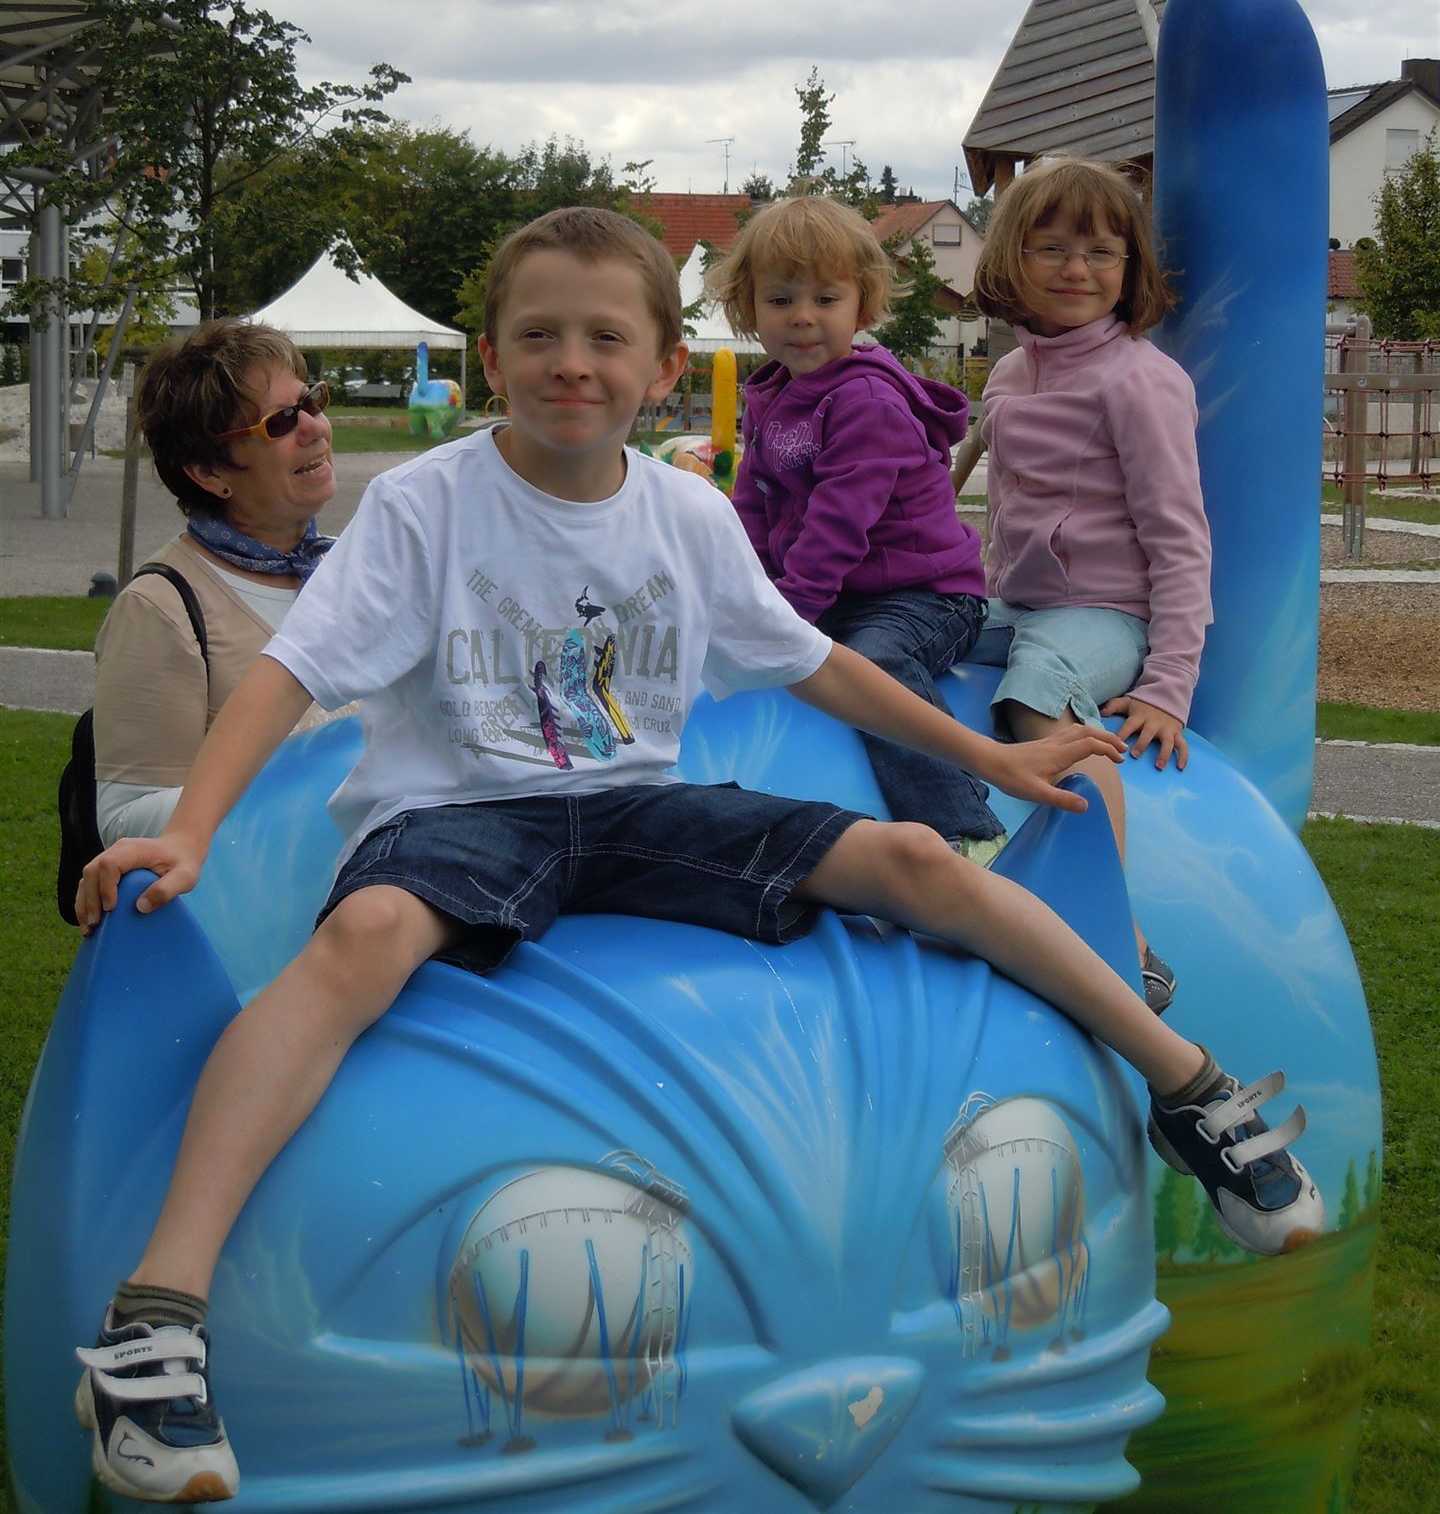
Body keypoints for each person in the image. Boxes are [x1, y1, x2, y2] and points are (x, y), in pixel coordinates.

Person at [74, 206, 1320, 1505]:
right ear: (491, 359)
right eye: (538, 336)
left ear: (667, 365)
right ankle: (155, 1320)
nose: (572, 362)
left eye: (605, 337)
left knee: (916, 860)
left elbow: (814, 662)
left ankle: (1190, 1087)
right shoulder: (424, 504)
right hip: (460, 813)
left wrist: (989, 762)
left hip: (635, 803)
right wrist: (192, 828)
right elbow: (291, 670)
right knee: (366, 935)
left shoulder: (685, 513)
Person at [956, 155, 1212, 1016]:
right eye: (1053, 248)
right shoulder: (1009, 375)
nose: (1078, 269)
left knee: (1039, 685)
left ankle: (1118, 930)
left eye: (1102, 253)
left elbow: (1180, 539)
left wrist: (1168, 684)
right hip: (1020, 605)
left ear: (1130, 269)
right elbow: (990, 504)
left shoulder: (1140, 381)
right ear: (1011, 259)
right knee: (913, 630)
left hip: (1107, 616)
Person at [707, 195, 1005, 863]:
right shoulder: (773, 395)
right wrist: (735, 595)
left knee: (873, 664)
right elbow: (751, 505)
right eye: (780, 299)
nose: (802, 316)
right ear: (749, 308)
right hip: (841, 594)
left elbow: (839, 526)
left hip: (924, 597)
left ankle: (964, 826)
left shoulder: (866, 401)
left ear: (862, 308)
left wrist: (786, 617)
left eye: (825, 299)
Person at [91, 321, 338, 850]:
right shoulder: (160, 609)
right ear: (208, 472)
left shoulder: (350, 566)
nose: (315, 428)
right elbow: (125, 819)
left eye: (311, 401)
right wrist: (330, 783)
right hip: (271, 898)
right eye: (281, 422)